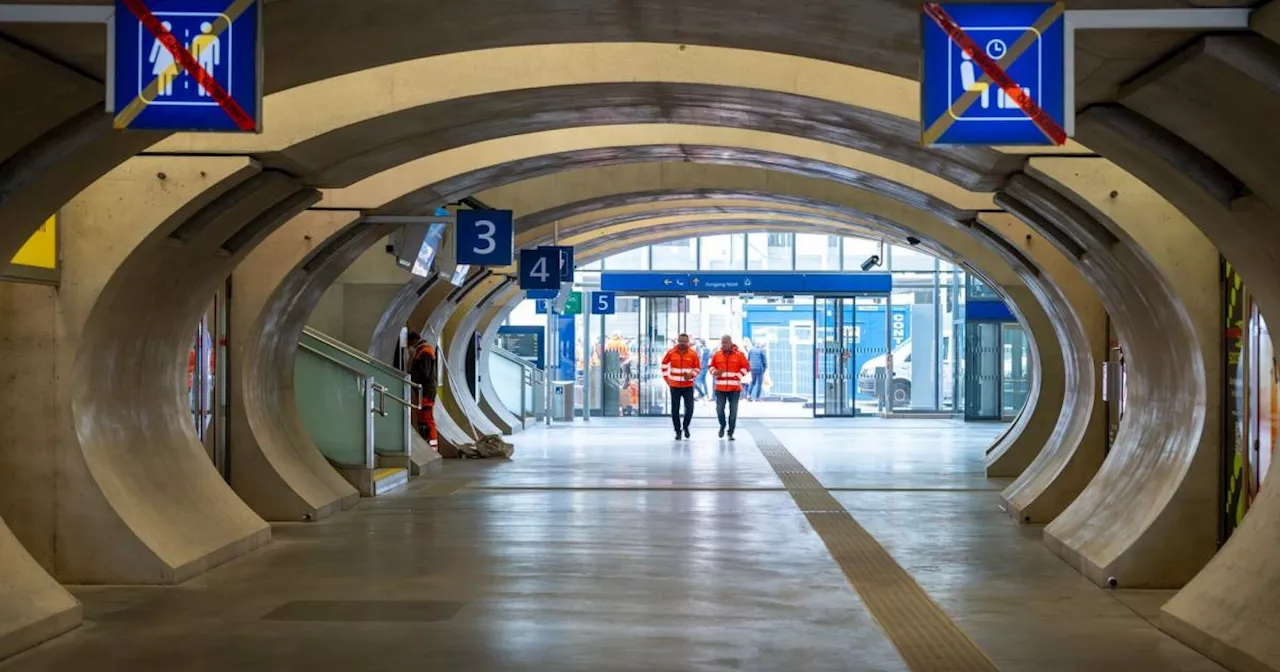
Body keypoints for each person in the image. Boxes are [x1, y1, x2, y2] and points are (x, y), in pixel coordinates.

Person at [709, 334, 750, 440]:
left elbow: (746, 367)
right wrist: (715, 372)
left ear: (731, 343)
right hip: (720, 388)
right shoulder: (716, 355)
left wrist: (738, 376)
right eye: (722, 342)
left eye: (726, 342)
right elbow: (710, 366)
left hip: (735, 389)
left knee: (733, 412)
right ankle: (722, 425)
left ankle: (730, 432)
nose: (724, 344)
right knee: (719, 409)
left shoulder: (739, 355)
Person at [661, 333, 701, 440]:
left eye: (684, 341)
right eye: (681, 341)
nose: (682, 343)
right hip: (674, 386)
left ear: (688, 342)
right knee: (675, 410)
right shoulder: (671, 353)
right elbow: (664, 365)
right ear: (677, 341)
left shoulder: (693, 354)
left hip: (688, 386)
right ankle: (677, 431)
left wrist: (691, 375)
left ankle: (686, 426)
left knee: (690, 409)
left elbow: (697, 368)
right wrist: (667, 379)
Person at [406, 331, 439, 453]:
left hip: (426, 392)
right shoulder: (422, 351)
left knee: (427, 419)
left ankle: (433, 447)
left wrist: (409, 374)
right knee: (422, 420)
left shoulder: (424, 352)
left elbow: (424, 374)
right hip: (423, 391)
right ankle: (428, 445)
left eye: (409, 343)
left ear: (413, 341)